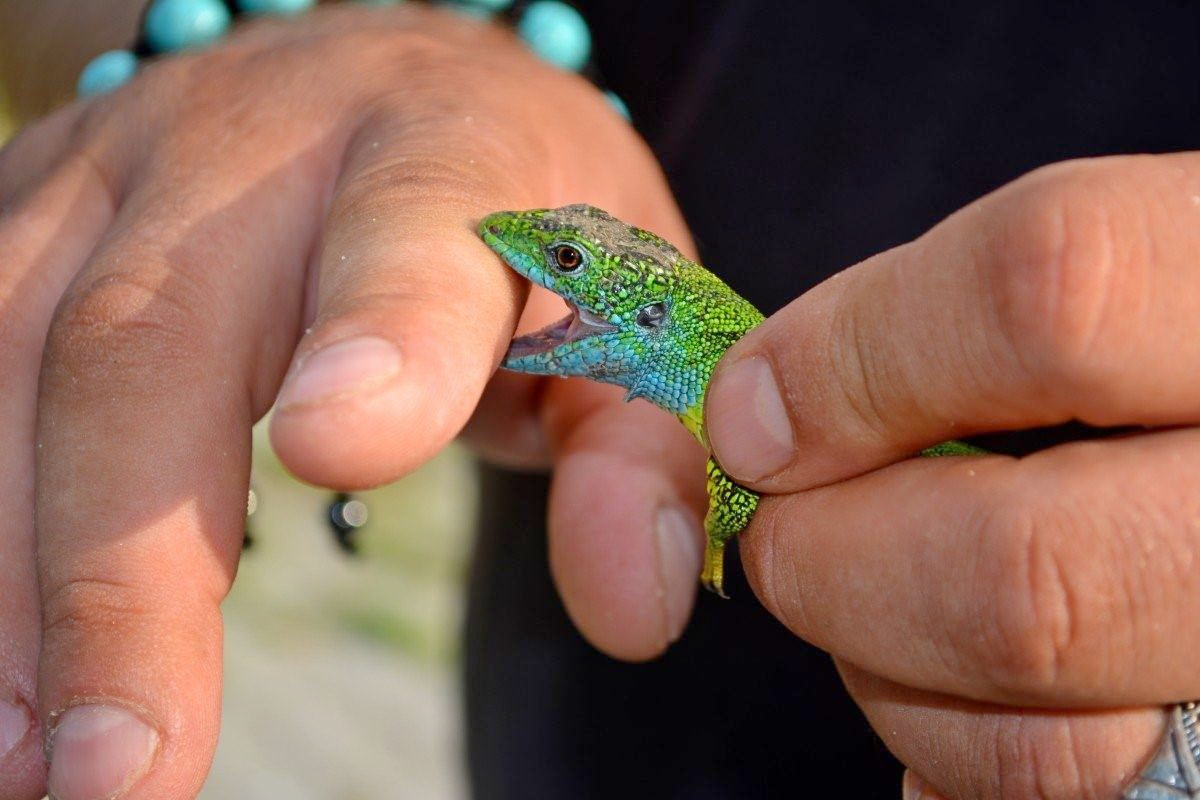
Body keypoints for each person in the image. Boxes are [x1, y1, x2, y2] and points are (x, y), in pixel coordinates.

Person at [1, 1, 1198, 798]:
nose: (522, 256)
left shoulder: (738, 424)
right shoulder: (711, 391)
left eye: (564, 269)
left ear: (656, 320)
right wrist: (293, 32)